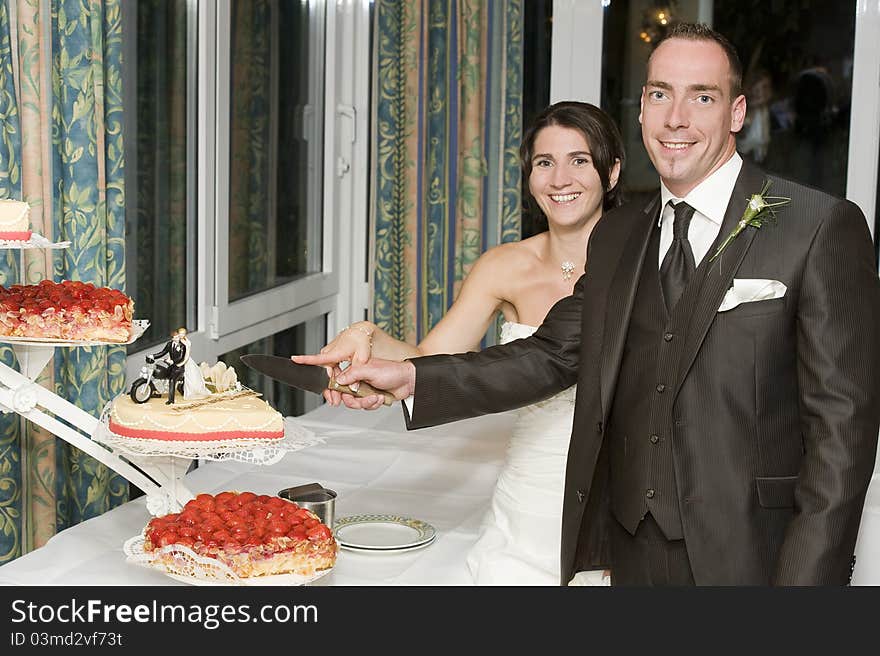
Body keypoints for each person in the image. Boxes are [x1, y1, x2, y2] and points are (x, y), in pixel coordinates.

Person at [300, 22, 880, 586]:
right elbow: (549, 356)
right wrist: (406, 376)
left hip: (748, 555)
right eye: (659, 94)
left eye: (701, 96)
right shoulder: (621, 232)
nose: (676, 118)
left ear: (735, 112)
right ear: (643, 109)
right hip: (627, 553)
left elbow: (842, 436)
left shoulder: (818, 225)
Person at [303, 101, 625, 585]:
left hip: (616, 493)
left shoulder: (643, 260)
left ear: (612, 171)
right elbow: (434, 359)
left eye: (579, 160)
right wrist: (367, 337)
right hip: (530, 492)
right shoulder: (503, 266)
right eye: (544, 162)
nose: (560, 178)